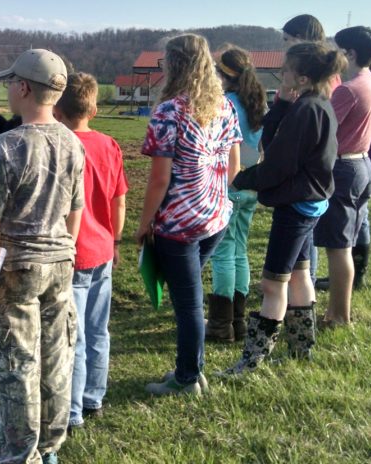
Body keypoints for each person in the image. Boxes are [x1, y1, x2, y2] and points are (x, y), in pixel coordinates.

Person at [0, 49, 85, 464]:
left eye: (10, 83)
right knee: (56, 360)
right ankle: (49, 448)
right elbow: (76, 212)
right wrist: (64, 253)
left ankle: (18, 455)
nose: (8, 90)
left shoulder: (6, 146)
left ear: (24, 88)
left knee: (18, 366)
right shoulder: (73, 142)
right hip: (60, 265)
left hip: (15, 269)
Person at [221, 42, 342, 374]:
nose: (282, 73)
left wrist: (241, 180)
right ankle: (302, 349)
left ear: (302, 78)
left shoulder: (306, 111)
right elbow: (272, 140)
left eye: (286, 70)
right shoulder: (314, 105)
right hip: (310, 203)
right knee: (301, 275)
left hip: (296, 207)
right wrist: (282, 107)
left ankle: (251, 362)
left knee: (274, 284)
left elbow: (277, 164)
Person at [136, 34, 241, 395]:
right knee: (190, 296)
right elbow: (234, 166)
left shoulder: (169, 112)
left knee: (188, 303)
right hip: (216, 216)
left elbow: (159, 180)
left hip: (179, 225)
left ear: (174, 65)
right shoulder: (225, 106)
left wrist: (145, 222)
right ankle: (190, 368)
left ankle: (187, 378)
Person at [53, 72, 128, 430]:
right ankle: (93, 396)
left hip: (74, 252)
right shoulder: (110, 145)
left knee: (75, 337)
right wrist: (115, 240)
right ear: (94, 109)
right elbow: (120, 200)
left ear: (57, 110)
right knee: (98, 330)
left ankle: (72, 411)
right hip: (102, 250)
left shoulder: (58, 147)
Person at [314, 26, 371, 327]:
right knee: (345, 244)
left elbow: (321, 131)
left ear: (351, 54)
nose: (334, 54)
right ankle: (338, 312)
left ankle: (338, 316)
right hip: (363, 165)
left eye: (338, 49)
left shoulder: (348, 89)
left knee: (338, 249)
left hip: (344, 169)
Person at [264, 15, 339, 285]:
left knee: (300, 244)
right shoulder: (307, 87)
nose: (283, 46)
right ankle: (300, 296)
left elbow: (291, 148)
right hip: (304, 178)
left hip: (301, 179)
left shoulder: (313, 95)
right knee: (302, 248)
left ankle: (293, 290)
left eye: (287, 40)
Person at [205, 46, 266, 343]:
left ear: (224, 75)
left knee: (222, 255)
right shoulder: (257, 104)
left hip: (228, 185)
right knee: (240, 251)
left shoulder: (224, 105)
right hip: (251, 184)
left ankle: (220, 324)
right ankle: (239, 321)